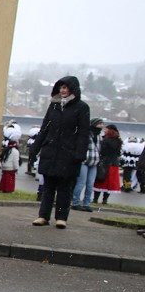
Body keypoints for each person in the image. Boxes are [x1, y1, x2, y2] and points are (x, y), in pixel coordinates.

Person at [32, 76, 89, 229]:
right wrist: (35, 148)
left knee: (64, 188)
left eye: (65, 88)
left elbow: (83, 133)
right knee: (48, 187)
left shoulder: (82, 108)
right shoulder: (54, 106)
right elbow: (45, 128)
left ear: (72, 89)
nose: (63, 90)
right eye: (61, 88)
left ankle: (61, 218)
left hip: (68, 154)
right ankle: (43, 216)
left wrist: (79, 154)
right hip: (50, 151)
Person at [70, 118, 102, 211]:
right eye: (99, 124)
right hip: (84, 161)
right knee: (81, 182)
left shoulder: (99, 137)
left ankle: (86, 203)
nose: (101, 126)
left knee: (90, 184)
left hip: (94, 162)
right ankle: (76, 202)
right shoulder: (86, 135)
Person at [92, 124, 123, 206]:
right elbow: (118, 153)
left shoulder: (105, 140)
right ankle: (104, 200)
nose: (104, 131)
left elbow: (102, 151)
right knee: (109, 183)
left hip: (105, 163)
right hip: (113, 163)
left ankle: (95, 199)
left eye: (106, 129)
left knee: (100, 180)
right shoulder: (118, 141)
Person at [0, 124, 21, 195]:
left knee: (4, 178)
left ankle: (2, 188)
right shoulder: (15, 151)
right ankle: (8, 189)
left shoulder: (5, 150)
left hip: (4, 166)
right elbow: (15, 161)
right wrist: (17, 168)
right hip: (11, 167)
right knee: (10, 179)